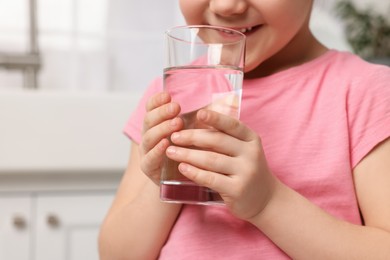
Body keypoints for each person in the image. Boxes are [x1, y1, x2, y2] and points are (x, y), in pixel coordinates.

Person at [98, 0, 390, 259]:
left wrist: (268, 203)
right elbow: (117, 254)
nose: (226, 6)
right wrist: (168, 180)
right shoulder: (169, 93)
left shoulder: (367, 93)